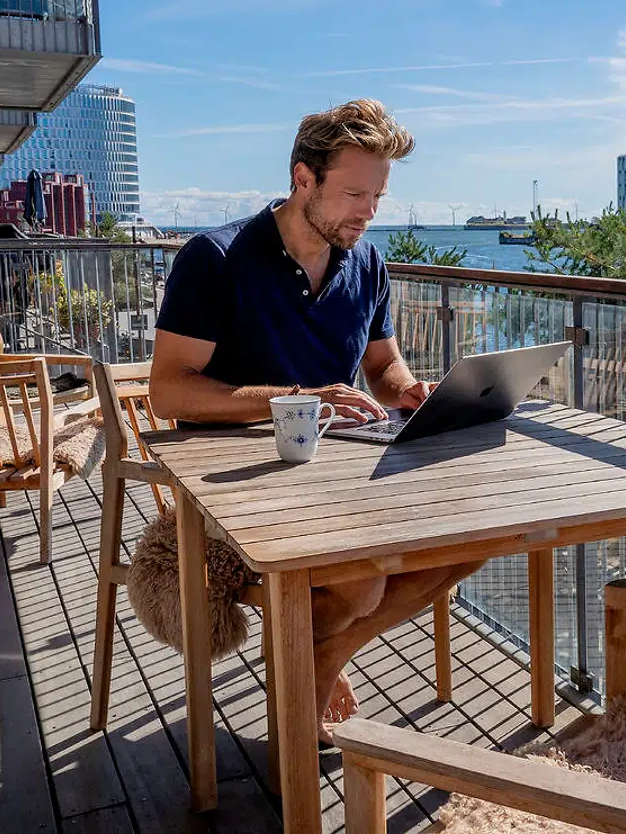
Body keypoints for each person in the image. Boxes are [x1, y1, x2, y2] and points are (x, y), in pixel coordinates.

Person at [149, 99, 451, 745]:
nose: (368, 213)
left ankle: (316, 661)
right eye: (354, 193)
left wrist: (410, 392)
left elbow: (384, 368)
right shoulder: (217, 258)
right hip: (232, 483)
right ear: (303, 178)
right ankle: (307, 675)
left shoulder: (368, 263)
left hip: (340, 477)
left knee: (466, 544)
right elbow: (168, 392)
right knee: (364, 579)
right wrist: (298, 397)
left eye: (378, 196)